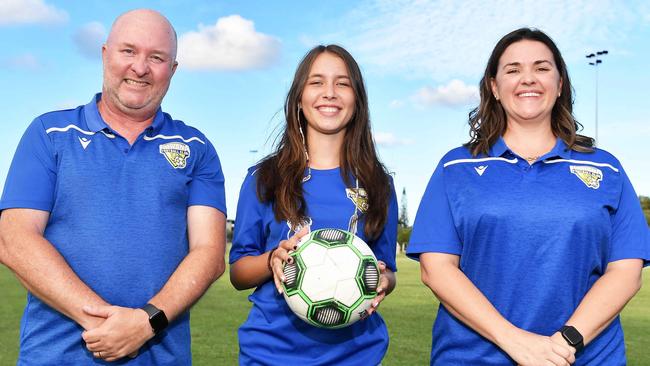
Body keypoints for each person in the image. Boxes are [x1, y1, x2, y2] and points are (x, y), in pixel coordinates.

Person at [407, 27, 648, 365]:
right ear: (494, 86)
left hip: (585, 357)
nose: (528, 79)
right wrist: (516, 343)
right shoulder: (455, 167)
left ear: (560, 83)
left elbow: (625, 270)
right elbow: (437, 269)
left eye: (541, 68)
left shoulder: (606, 168)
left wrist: (565, 344)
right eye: (513, 69)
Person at [0, 9, 226, 365]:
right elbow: (14, 240)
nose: (140, 67)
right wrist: (106, 324)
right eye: (128, 51)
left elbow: (209, 254)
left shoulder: (196, 148)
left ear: (173, 70)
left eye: (157, 57)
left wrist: (146, 322)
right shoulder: (48, 134)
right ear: (105, 54)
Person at [229, 44, 397, 365]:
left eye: (343, 83)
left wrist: (383, 281)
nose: (330, 93)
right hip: (271, 353)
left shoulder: (378, 183)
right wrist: (272, 260)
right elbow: (238, 272)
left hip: (356, 354)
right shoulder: (264, 178)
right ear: (299, 99)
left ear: (357, 100)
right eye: (317, 82)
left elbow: (387, 270)